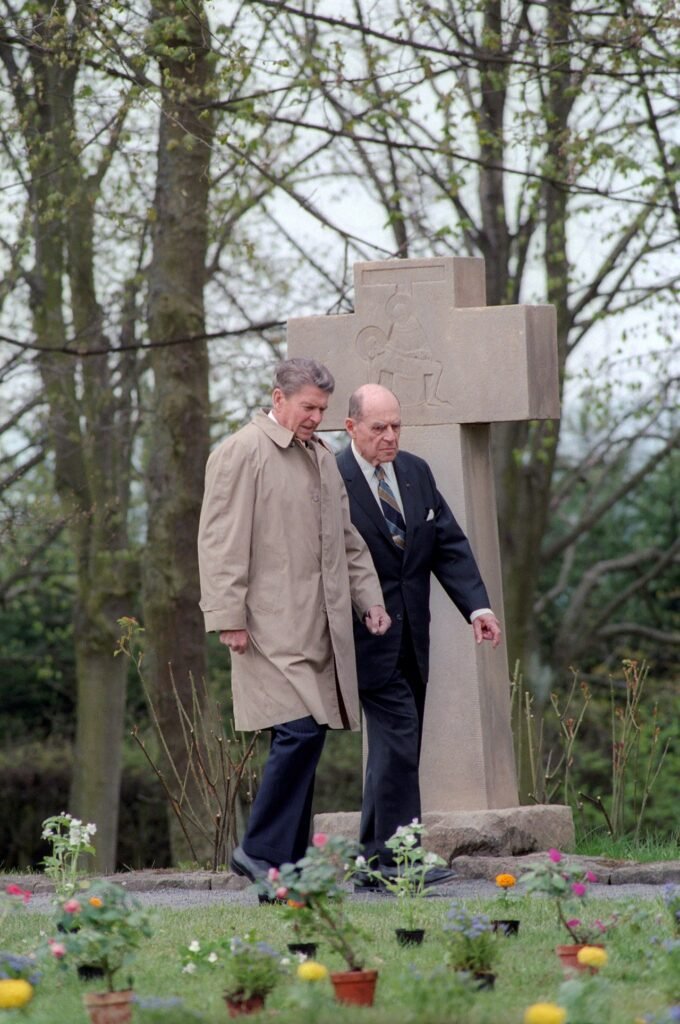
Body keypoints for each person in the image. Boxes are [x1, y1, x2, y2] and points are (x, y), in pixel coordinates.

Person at [197, 358, 390, 883]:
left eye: (323, 409)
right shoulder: (241, 452)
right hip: (267, 627)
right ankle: (258, 850)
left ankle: (283, 865)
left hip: (321, 626)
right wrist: (226, 616)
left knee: (311, 733)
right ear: (277, 398)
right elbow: (219, 542)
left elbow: (347, 539)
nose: (316, 417)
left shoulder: (322, 457)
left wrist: (368, 599)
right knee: (300, 731)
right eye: (308, 407)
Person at [337, 383, 502, 888]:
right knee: (400, 741)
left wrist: (477, 606)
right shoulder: (331, 479)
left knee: (394, 747)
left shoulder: (415, 472)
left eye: (396, 426)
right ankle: (400, 861)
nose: (390, 437)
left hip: (413, 636)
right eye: (378, 428)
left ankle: (370, 861)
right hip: (359, 638)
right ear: (351, 428)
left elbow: (447, 544)